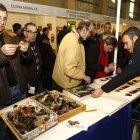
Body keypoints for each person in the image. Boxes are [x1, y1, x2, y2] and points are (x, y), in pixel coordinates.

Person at [0, 3, 29, 140]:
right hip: (3, 96)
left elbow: (23, 60)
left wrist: (24, 50)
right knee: (4, 132)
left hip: (19, 89)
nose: (2, 22)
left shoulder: (9, 36)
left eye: (5, 18)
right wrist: (1, 53)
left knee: (22, 125)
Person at [92, 26, 140, 98]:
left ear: (135, 38)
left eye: (126, 43)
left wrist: (102, 89)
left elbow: (124, 75)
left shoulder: (138, 50)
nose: (125, 47)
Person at [52, 19, 93, 92]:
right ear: (84, 30)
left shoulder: (72, 36)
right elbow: (69, 69)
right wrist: (84, 77)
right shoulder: (73, 43)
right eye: (90, 32)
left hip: (64, 81)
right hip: (66, 84)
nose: (90, 35)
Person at [22, 22, 42, 96]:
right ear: (24, 33)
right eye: (30, 32)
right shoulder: (22, 47)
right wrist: (25, 83)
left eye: (35, 32)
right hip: (28, 84)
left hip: (36, 81)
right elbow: (20, 68)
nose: (33, 35)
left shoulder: (35, 44)